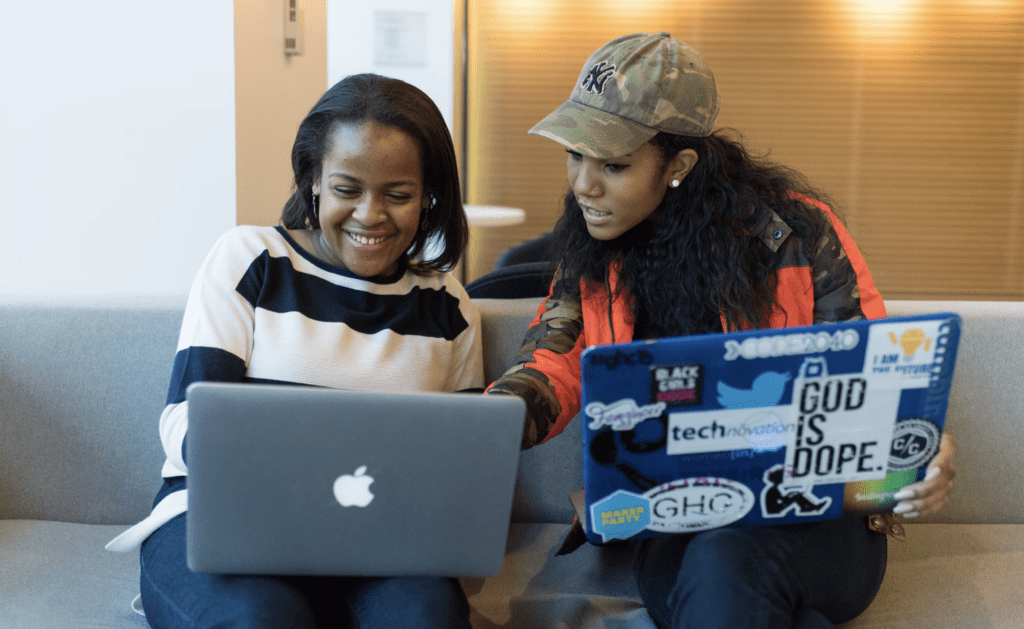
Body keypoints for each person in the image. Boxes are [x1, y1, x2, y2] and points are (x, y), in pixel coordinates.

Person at [485, 32, 956, 629]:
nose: (583, 184)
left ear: (678, 166)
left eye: (614, 164)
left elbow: (866, 374)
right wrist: (494, 420)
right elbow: (553, 361)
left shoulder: (796, 234)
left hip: (816, 517)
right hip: (673, 516)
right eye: (576, 155)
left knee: (724, 564)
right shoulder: (592, 248)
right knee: (723, 569)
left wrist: (921, 451)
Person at [106, 73, 482, 629]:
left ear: (429, 197)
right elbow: (184, 422)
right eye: (346, 189)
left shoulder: (448, 305)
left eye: (397, 195)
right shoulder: (250, 260)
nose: (370, 215)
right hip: (221, 524)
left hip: (381, 547)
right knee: (260, 620)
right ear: (313, 182)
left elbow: (466, 462)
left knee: (427, 617)